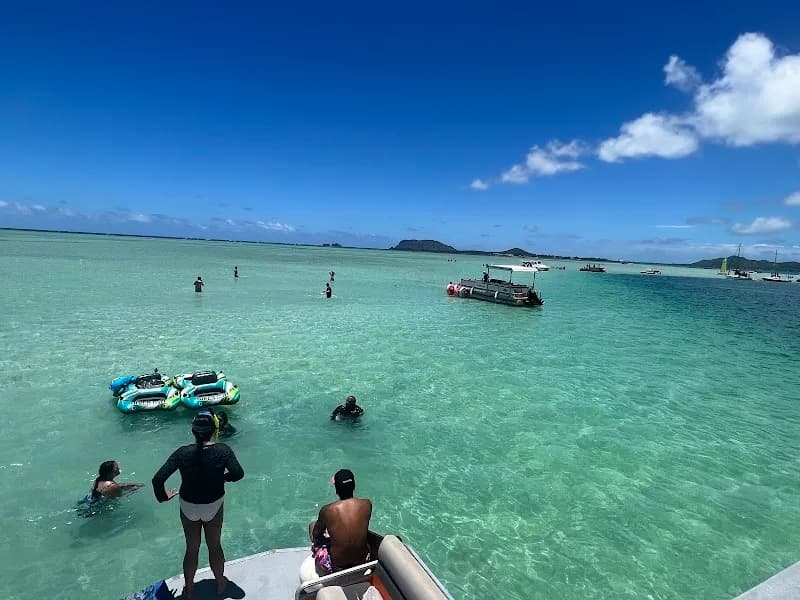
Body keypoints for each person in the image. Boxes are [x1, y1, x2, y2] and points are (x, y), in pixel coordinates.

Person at [152, 412, 244, 600]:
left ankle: (190, 589)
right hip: (213, 504)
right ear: (213, 431)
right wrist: (222, 478)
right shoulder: (223, 450)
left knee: (192, 548)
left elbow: (158, 479)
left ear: (193, 432)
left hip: (189, 506)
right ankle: (220, 582)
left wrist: (163, 498)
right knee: (215, 546)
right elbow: (238, 473)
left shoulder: (182, 453)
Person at [308, 469, 372, 576]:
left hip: (337, 565)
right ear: (354, 486)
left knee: (312, 526)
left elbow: (316, 534)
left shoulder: (327, 510)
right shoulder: (367, 504)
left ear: (336, 489)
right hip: (362, 561)